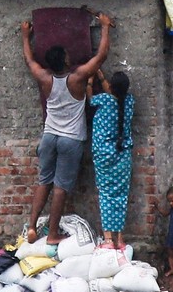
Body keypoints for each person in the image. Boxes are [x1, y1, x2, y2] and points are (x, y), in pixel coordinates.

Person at [21, 13, 113, 246]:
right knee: (60, 188)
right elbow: (101, 56)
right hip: (71, 140)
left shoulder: (44, 78)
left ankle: (32, 226)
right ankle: (52, 234)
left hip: (49, 136)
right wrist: (104, 28)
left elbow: (30, 61)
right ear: (64, 61)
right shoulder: (77, 78)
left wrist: (25, 36)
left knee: (44, 181)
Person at [90, 69, 134, 249]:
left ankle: (108, 239)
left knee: (106, 194)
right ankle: (120, 239)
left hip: (104, 155)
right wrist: (102, 77)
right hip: (123, 155)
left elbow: (90, 99)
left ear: (111, 88)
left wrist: (91, 82)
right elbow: (116, 96)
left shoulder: (103, 100)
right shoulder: (130, 102)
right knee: (121, 196)